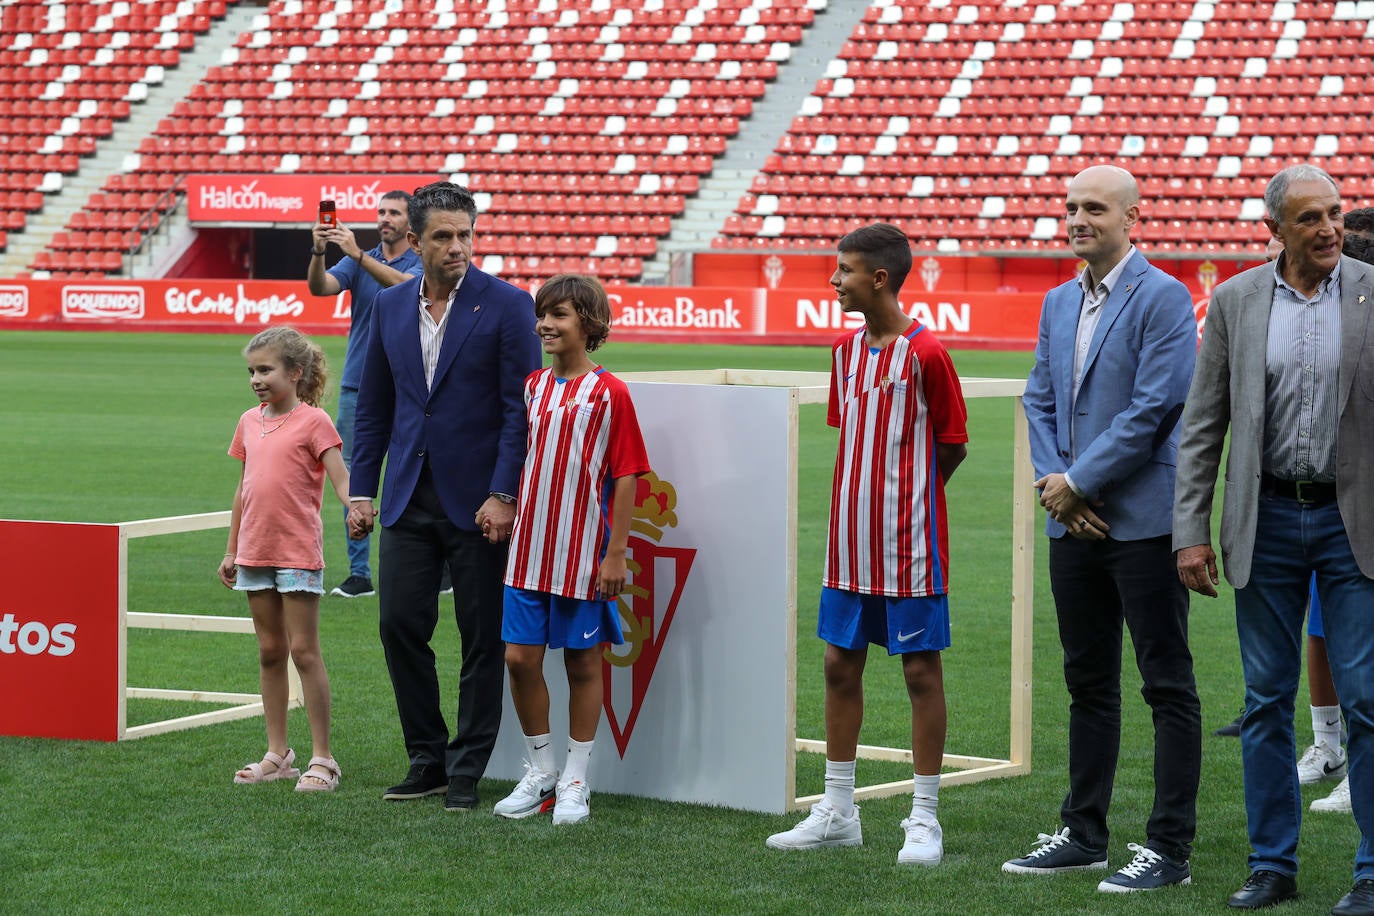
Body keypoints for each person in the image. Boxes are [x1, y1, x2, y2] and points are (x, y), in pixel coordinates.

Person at [1174, 163, 1374, 914]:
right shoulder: (1235, 300)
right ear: (1275, 230)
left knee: (1366, 698)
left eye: (1335, 213)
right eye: (1310, 219)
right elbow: (1203, 426)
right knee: (1265, 702)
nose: (1328, 229)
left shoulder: (1371, 290)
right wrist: (1190, 532)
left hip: (1355, 520)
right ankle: (1272, 866)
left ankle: (1371, 869)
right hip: (1265, 520)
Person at [1006, 164, 1201, 893]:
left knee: (1167, 685)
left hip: (1144, 524)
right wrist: (1059, 489)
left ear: (1131, 218)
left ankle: (1169, 850)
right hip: (1074, 527)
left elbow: (1154, 409)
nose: (1078, 218)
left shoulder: (1164, 296)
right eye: (1070, 207)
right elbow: (1040, 398)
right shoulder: (1058, 301)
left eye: (1093, 207)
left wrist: (1076, 482)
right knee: (1088, 683)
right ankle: (1084, 833)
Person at [765, 223, 968, 866]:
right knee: (838, 665)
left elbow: (953, 444)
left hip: (910, 546)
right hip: (846, 544)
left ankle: (925, 815)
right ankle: (838, 811)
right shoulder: (844, 352)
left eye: (844, 270)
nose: (834, 280)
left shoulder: (928, 353)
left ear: (877, 278)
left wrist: (906, 500)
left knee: (918, 671)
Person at [347, 181, 541, 811]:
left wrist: (503, 492)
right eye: (443, 237)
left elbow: (519, 411)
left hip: (480, 504)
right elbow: (375, 409)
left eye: (466, 235)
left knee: (481, 637)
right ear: (415, 240)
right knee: (399, 625)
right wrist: (360, 491)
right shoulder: (390, 306)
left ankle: (467, 766)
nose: (458, 247)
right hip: (406, 496)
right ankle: (426, 757)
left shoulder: (509, 305)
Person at [493, 274, 650, 826]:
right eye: (543, 314)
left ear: (589, 323)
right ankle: (540, 772)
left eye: (559, 315)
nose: (546, 325)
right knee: (518, 658)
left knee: (584, 662)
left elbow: (627, 475)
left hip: (584, 552)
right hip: (529, 551)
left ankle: (577, 780)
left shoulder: (611, 392)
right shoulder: (533, 386)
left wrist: (617, 553)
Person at [218, 326, 350, 793]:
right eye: (252, 370)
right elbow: (243, 489)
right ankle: (278, 754)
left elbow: (339, 476)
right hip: (255, 550)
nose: (256, 378)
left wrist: (355, 506)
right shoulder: (248, 422)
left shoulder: (315, 422)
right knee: (270, 652)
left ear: (295, 373)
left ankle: (323, 758)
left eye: (266, 369)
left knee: (304, 651)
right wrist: (232, 549)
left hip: (296, 552)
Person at [307, 189, 420, 599]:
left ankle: (436, 564)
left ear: (412, 222)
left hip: (412, 384)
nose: (385, 218)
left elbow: (410, 289)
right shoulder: (360, 258)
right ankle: (360, 574)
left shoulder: (419, 262)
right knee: (353, 477)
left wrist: (357, 255)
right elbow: (321, 288)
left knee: (421, 470)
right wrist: (319, 252)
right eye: (381, 211)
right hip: (360, 383)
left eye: (394, 212)